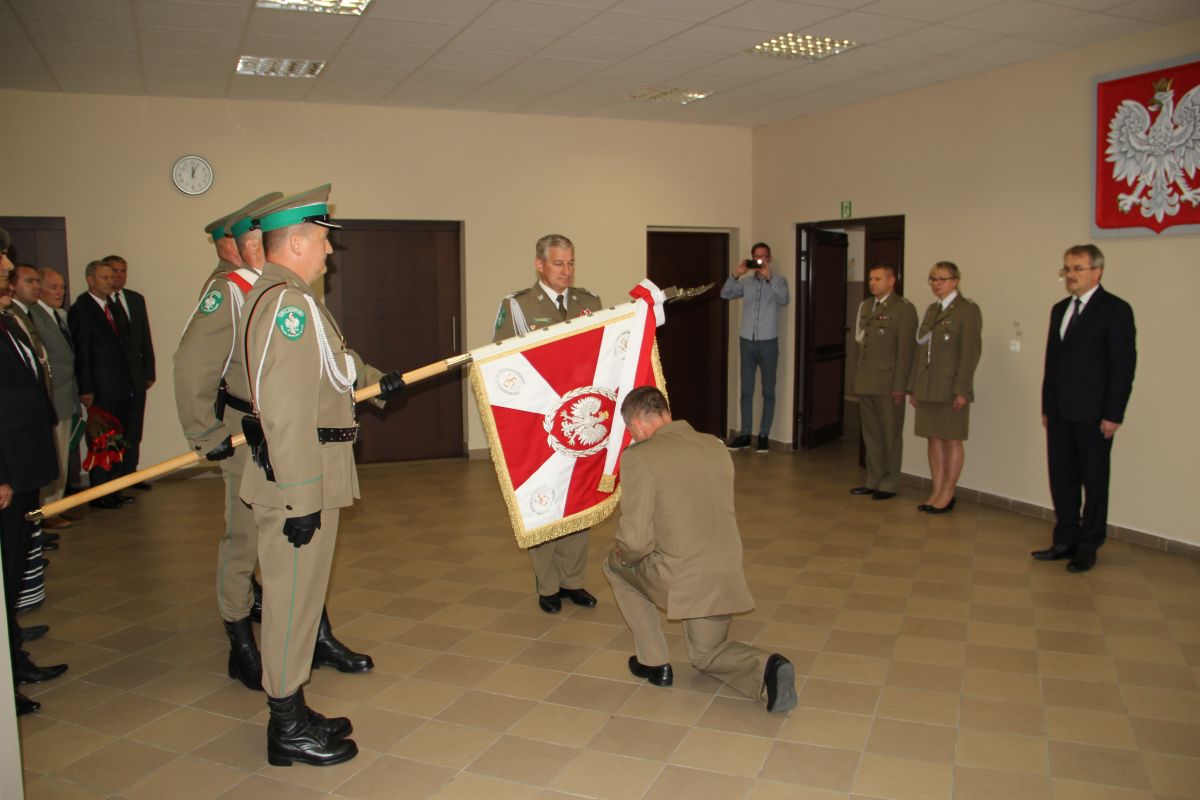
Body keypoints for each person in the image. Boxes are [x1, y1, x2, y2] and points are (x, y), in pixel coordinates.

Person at [235, 186, 404, 766]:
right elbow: (284, 409)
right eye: (323, 241)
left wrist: (377, 382)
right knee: (290, 604)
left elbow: (334, 367)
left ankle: (293, 706)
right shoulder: (287, 305)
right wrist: (301, 498)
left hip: (305, 474)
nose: (330, 252)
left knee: (302, 600)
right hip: (298, 481)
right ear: (297, 243)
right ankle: (285, 726)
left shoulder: (289, 298)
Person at [603, 386, 796, 713]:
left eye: (631, 431)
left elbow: (636, 542)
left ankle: (654, 663)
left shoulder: (639, 457)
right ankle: (768, 668)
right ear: (666, 413)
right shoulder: (715, 446)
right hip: (724, 573)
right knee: (705, 655)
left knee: (615, 565)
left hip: (680, 577)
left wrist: (624, 553)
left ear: (636, 424)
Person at [173, 192, 281, 692]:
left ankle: (312, 632)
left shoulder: (272, 286)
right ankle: (239, 641)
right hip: (245, 434)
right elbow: (192, 364)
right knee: (244, 540)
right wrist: (205, 433)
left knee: (293, 534)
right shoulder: (229, 290)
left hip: (283, 432)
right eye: (263, 234)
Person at [492, 234, 601, 615]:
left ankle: (573, 579)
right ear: (539, 265)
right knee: (543, 500)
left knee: (578, 496)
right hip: (538, 421)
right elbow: (501, 364)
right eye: (558, 263)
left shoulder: (590, 303)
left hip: (580, 417)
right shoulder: (518, 306)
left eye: (570, 263)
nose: (566, 271)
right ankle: (548, 584)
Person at [1033, 244, 1136, 574]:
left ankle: (1088, 545)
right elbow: (1052, 363)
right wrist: (1047, 405)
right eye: (1067, 268)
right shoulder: (1060, 309)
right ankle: (1065, 538)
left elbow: (1123, 367)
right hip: (1059, 412)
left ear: (1097, 271)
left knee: (1094, 481)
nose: (1070, 275)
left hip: (1094, 414)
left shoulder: (1115, 310)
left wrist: (1113, 414)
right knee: (1062, 478)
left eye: (1077, 268)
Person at [0, 263, 68, 718]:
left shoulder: (8, 321)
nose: (9, 276)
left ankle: (15, 659)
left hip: (23, 468)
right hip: (7, 473)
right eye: (3, 269)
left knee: (16, 568)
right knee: (5, 574)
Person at [908, 261, 982, 514]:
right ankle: (936, 489)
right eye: (933, 279)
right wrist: (914, 387)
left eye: (942, 279)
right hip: (927, 386)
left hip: (950, 387)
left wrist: (962, 390)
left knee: (952, 440)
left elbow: (970, 353)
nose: (937, 284)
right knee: (933, 438)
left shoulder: (967, 310)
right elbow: (920, 351)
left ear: (955, 281)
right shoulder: (932, 310)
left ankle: (948, 492)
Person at [68, 260, 136, 509]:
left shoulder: (112, 306)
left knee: (118, 439)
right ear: (91, 280)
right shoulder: (82, 309)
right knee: (101, 441)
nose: (111, 281)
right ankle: (99, 493)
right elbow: (82, 352)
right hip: (100, 388)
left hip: (120, 386)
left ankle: (114, 488)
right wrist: (86, 388)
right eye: (104, 277)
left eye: (111, 277)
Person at [849, 262, 918, 501]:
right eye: (870, 279)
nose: (872, 283)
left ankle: (889, 482)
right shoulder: (866, 305)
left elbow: (906, 352)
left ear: (891, 281)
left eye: (877, 279)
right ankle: (873, 478)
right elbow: (861, 344)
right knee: (871, 434)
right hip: (867, 380)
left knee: (890, 434)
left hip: (889, 383)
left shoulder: (903, 309)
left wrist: (901, 386)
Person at [720, 242, 789, 453]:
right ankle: (745, 435)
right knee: (746, 391)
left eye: (763, 256)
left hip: (768, 342)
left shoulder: (779, 281)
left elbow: (784, 299)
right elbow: (725, 293)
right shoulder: (746, 283)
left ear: (769, 259)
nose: (760, 260)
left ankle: (764, 435)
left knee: (768, 391)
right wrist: (735, 274)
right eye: (756, 257)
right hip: (747, 342)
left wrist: (769, 278)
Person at [30, 267, 82, 527]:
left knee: (62, 456)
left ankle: (56, 505)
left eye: (62, 287)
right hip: (53, 398)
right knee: (54, 456)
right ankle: (47, 511)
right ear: (39, 288)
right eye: (53, 287)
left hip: (66, 396)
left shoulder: (59, 316)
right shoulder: (34, 316)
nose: (60, 292)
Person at [102, 255, 155, 487]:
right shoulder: (101, 303)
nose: (119, 276)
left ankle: (131, 473)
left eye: (123, 271)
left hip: (137, 376)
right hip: (114, 381)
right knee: (116, 430)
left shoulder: (135, 299)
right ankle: (115, 479)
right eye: (114, 271)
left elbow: (145, 337)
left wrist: (149, 371)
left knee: (135, 428)